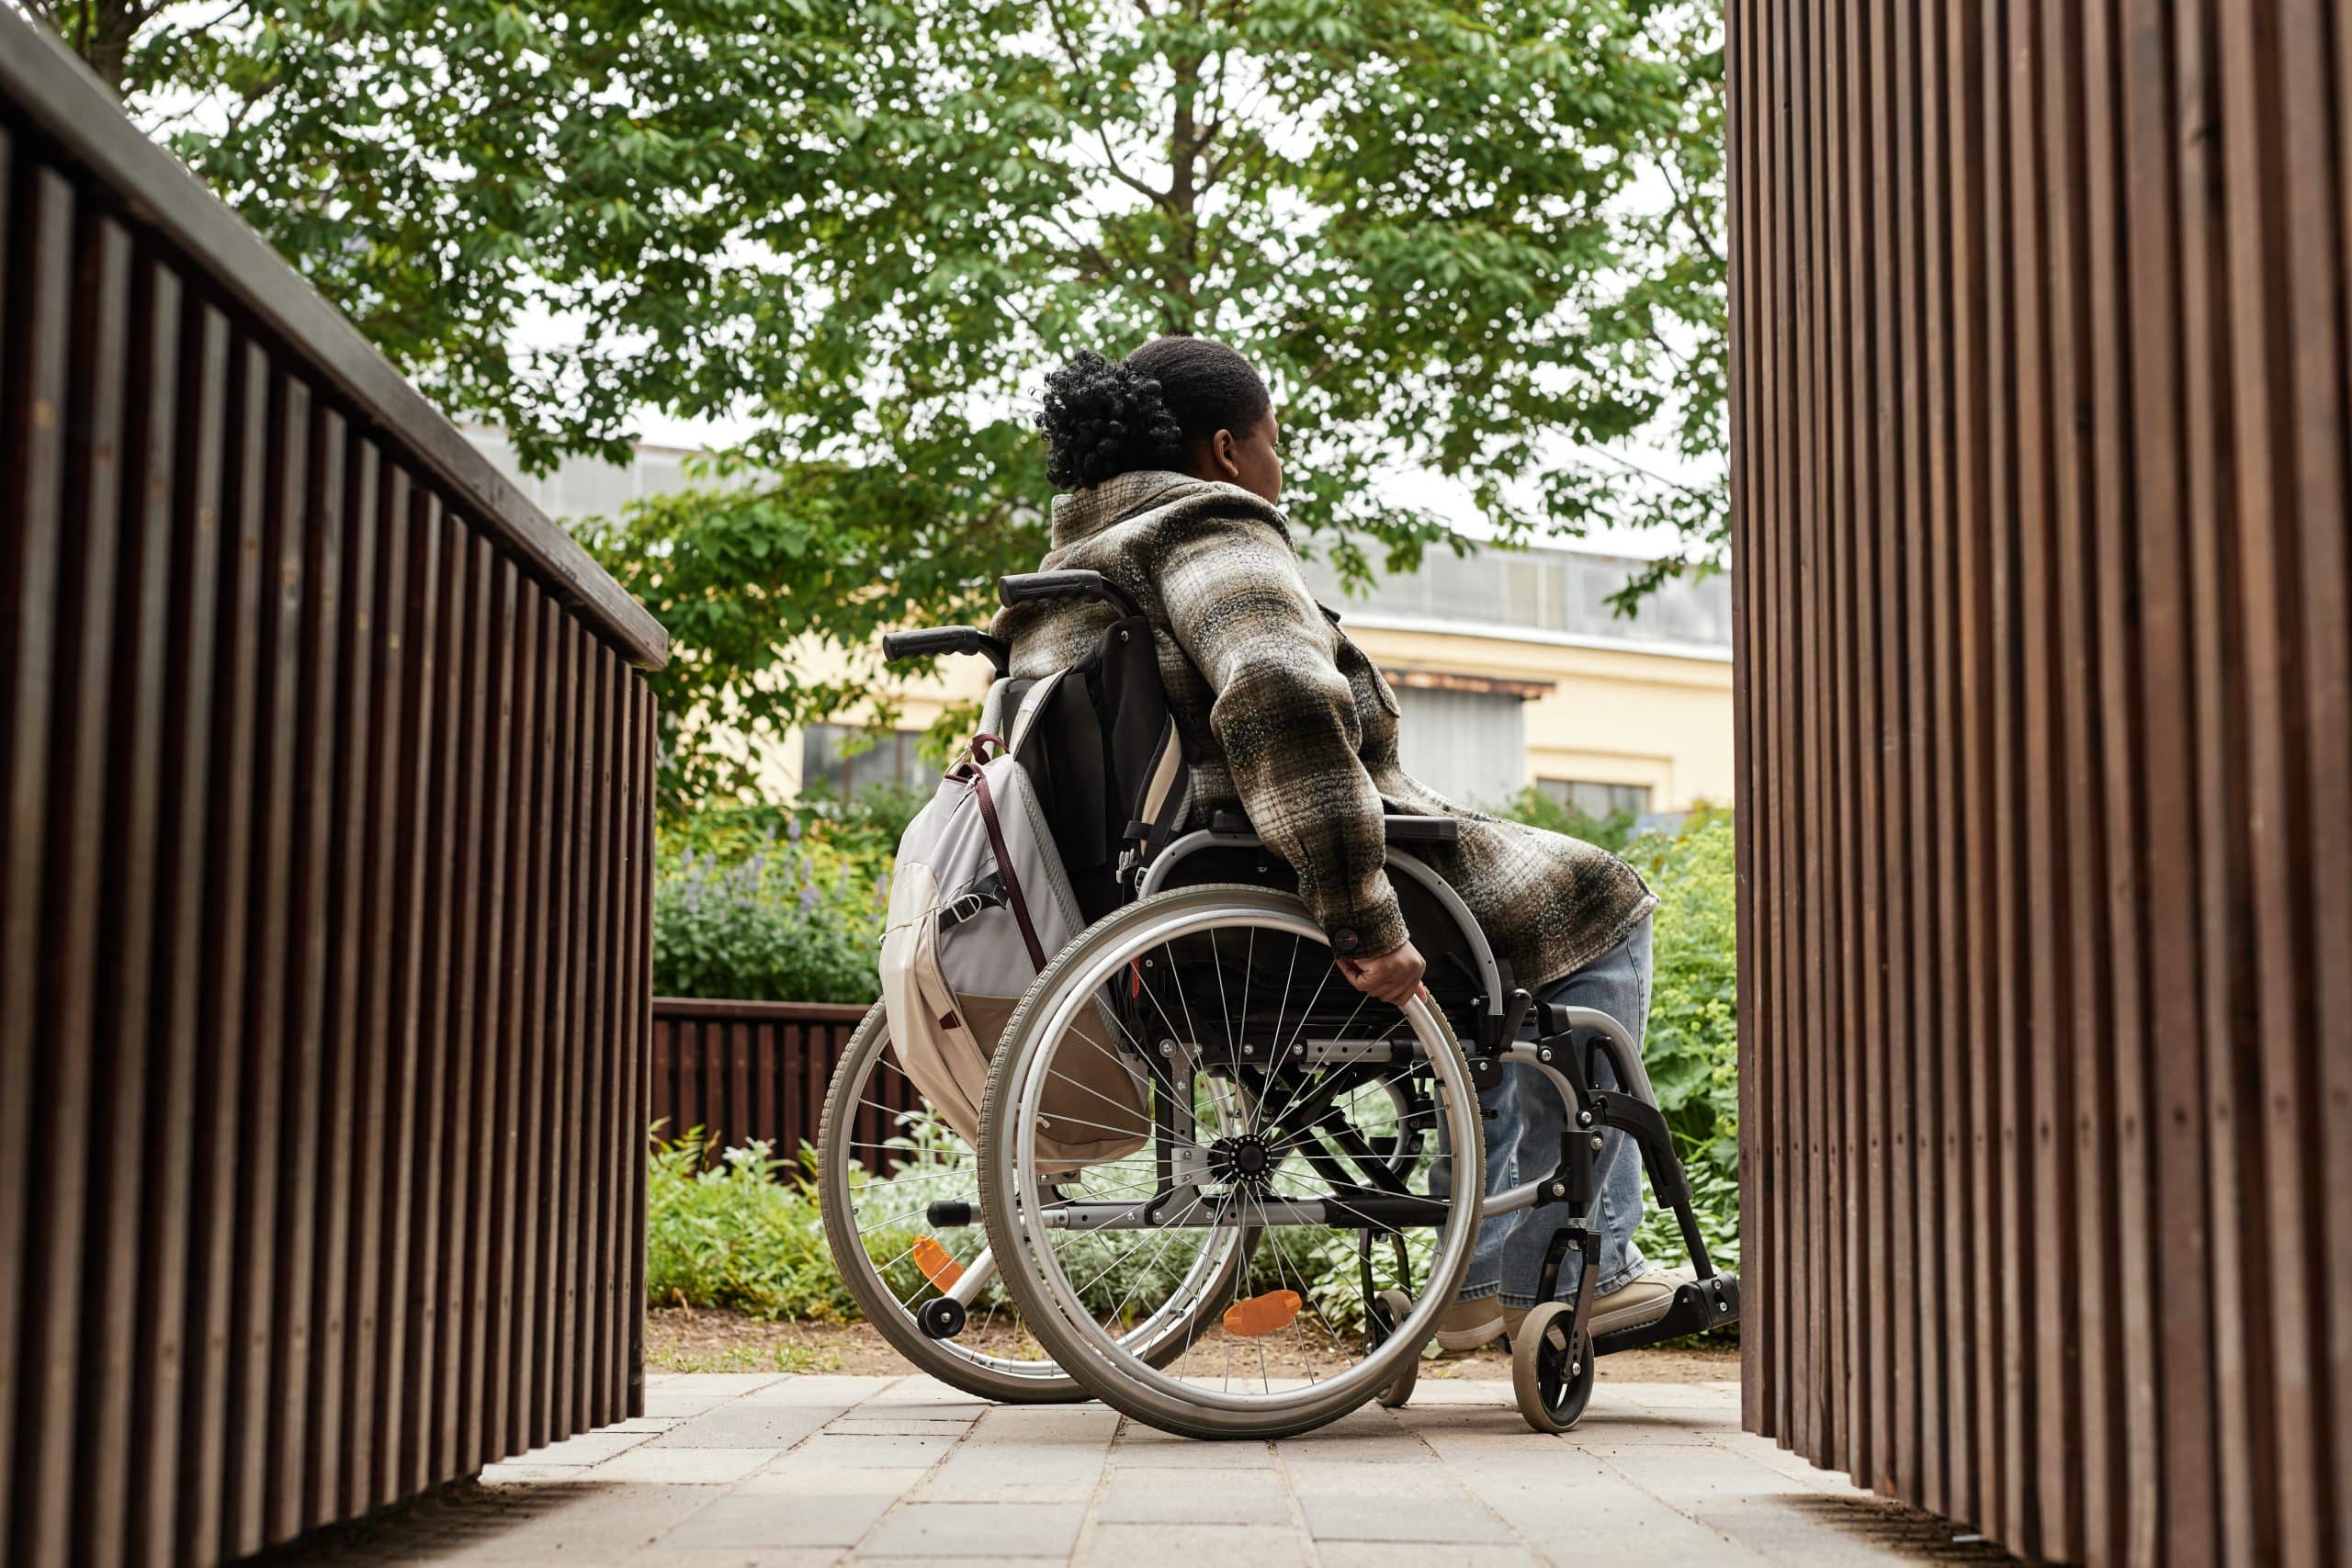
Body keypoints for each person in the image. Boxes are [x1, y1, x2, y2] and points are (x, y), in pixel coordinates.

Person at [997, 335, 1688, 1348]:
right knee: (1598, 902)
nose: (1281, 470)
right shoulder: (1209, 531)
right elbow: (1277, 694)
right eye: (1276, 445)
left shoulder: (1069, 572)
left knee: (1505, 965)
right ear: (1228, 449)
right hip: (1279, 885)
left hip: (1149, 907)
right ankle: (1565, 1266)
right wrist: (1362, 912)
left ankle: (1476, 1279)